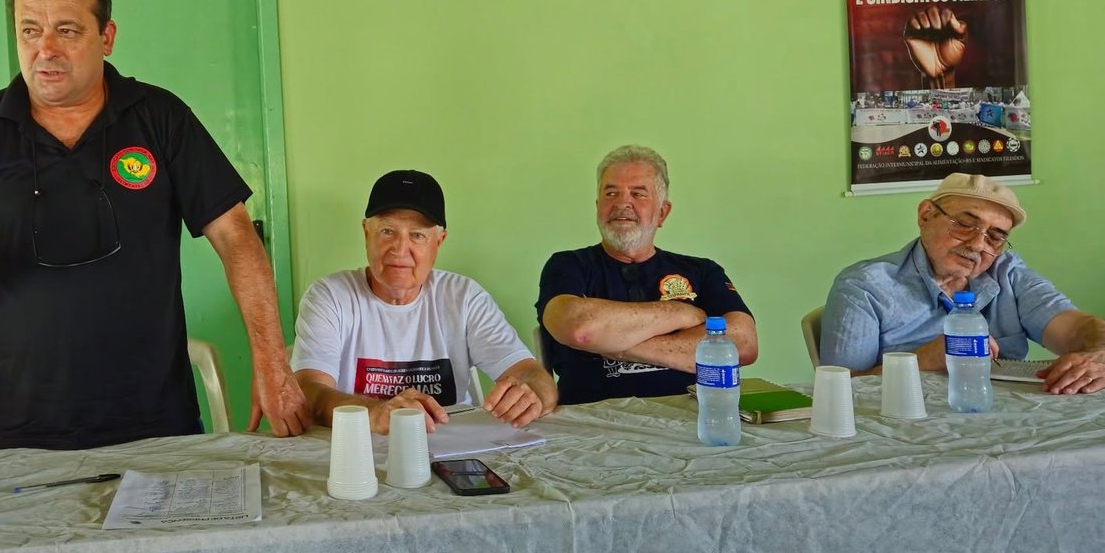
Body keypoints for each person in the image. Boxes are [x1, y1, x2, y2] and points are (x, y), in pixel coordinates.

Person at [0, 0, 308, 449]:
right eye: (29, 30)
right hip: (22, 424)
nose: (45, 49)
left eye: (67, 30)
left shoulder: (160, 117)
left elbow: (236, 237)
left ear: (106, 37)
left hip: (156, 420)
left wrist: (272, 362)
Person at [291, 170, 556, 434]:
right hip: (359, 448)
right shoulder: (330, 296)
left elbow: (531, 373)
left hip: (451, 446)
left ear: (439, 241)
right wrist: (374, 413)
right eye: (387, 231)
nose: (399, 249)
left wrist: (531, 395)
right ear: (366, 233)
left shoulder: (464, 297)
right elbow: (308, 392)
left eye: (417, 235)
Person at [820, 173, 1105, 394]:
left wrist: (1104, 352)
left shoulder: (1007, 273)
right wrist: (924, 359)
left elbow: (1079, 327)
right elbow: (838, 390)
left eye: (995, 237)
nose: (979, 244)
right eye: (965, 225)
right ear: (926, 215)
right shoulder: (865, 287)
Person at [537, 146, 757, 403]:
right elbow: (579, 328)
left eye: (638, 193)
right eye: (611, 193)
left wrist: (614, 343)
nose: (622, 203)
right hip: (590, 417)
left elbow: (743, 345)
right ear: (598, 207)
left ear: (662, 212)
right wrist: (681, 313)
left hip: (690, 414)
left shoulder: (702, 270)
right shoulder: (568, 265)